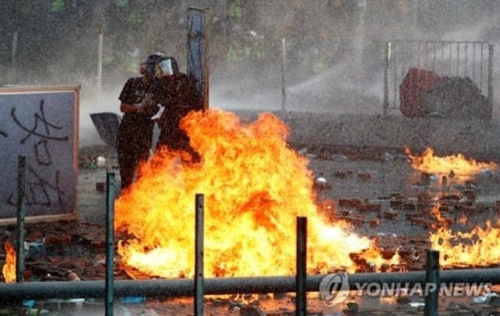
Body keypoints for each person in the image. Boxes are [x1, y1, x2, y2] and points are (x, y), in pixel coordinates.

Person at [116, 52, 166, 189]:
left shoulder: (160, 88)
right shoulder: (133, 83)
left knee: (142, 173)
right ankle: (126, 203)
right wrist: (139, 108)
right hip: (127, 134)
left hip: (144, 136)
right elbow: (123, 107)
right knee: (126, 174)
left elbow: (161, 113)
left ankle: (138, 203)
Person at [148, 55, 204, 162]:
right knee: (159, 162)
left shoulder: (186, 82)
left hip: (187, 130)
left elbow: (198, 104)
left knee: (193, 163)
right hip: (169, 129)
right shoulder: (159, 85)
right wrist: (159, 116)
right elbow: (154, 105)